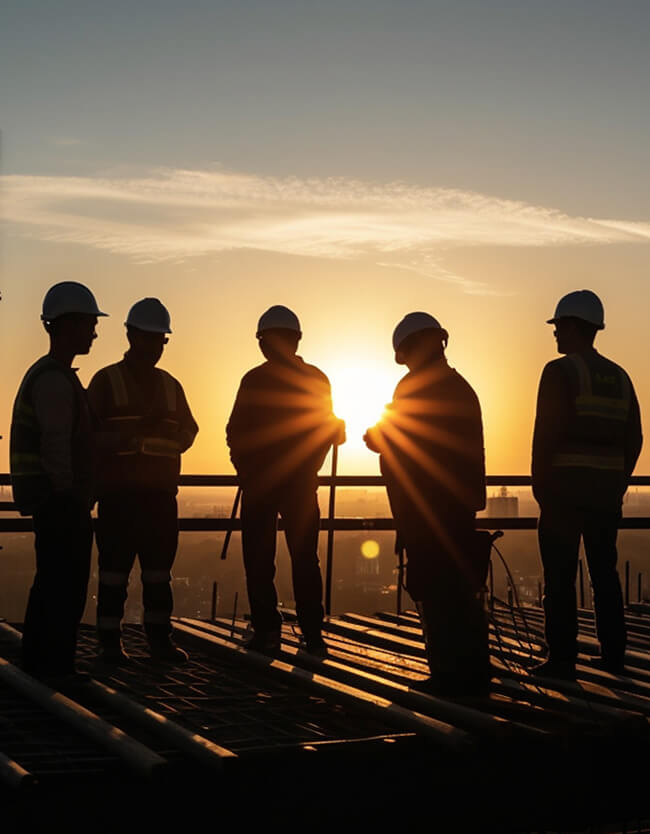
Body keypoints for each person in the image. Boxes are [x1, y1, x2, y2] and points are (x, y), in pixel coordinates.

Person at [364, 312, 490, 697]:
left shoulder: (415, 387)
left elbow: (392, 436)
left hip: (426, 507)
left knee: (434, 588)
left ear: (411, 348)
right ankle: (473, 672)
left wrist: (373, 436)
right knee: (461, 587)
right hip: (457, 505)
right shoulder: (460, 387)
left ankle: (447, 675)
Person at [532, 290, 642, 679]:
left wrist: (541, 488)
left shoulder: (559, 372)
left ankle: (562, 660)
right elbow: (634, 438)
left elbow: (545, 435)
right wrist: (616, 482)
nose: (555, 333)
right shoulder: (620, 377)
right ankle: (613, 655)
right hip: (605, 497)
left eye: (559, 326)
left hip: (563, 495)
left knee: (560, 578)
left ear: (575, 327)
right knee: (605, 575)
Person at [226, 305, 345, 655]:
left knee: (260, 560)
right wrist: (312, 462)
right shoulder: (315, 379)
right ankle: (312, 633)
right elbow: (323, 429)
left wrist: (247, 470)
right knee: (304, 559)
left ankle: (268, 631)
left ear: (264, 342)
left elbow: (236, 433)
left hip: (263, 484)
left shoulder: (255, 380)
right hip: (298, 485)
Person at [87, 298, 198, 664]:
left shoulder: (170, 386)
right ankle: (109, 644)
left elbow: (190, 429)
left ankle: (159, 642)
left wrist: (167, 440)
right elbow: (86, 436)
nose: (155, 347)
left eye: (160, 340)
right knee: (113, 575)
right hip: (119, 497)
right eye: (149, 338)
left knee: (158, 575)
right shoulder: (106, 382)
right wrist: (132, 438)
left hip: (159, 498)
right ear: (131, 336)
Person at [10, 281, 107, 683]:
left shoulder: (57, 376)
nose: (95, 332)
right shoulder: (54, 381)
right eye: (89, 324)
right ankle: (56, 667)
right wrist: (71, 494)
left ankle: (40, 662)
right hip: (60, 499)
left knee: (52, 581)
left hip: (54, 497)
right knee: (64, 585)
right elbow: (56, 445)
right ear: (67, 325)